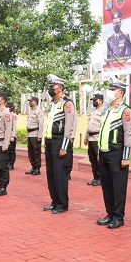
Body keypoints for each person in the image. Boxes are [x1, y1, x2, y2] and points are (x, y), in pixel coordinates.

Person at [95, 77, 131, 229]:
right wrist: (99, 151)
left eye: (113, 90)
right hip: (104, 152)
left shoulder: (125, 111)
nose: (109, 92)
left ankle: (118, 216)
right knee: (107, 185)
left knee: (118, 186)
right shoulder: (106, 109)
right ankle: (109, 213)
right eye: (110, 89)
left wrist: (126, 157)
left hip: (117, 153)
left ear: (121, 93)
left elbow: (128, 135)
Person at [43, 74, 76, 214]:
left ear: (60, 88)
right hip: (50, 142)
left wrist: (64, 146)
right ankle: (54, 201)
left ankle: (62, 204)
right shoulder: (52, 104)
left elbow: (69, 126)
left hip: (60, 141)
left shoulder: (67, 104)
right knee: (50, 173)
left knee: (59, 174)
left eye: (52, 86)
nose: (50, 89)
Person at [84, 93, 104, 186]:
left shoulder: (103, 111)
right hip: (90, 138)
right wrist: (85, 137)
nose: (94, 102)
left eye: (95, 100)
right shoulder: (93, 112)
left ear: (100, 100)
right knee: (92, 158)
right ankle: (95, 177)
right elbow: (89, 126)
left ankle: (100, 178)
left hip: (97, 138)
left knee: (99, 158)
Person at [25, 96, 44, 176]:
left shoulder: (39, 111)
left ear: (35, 102)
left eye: (31, 101)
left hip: (35, 134)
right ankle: (33, 167)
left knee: (36, 152)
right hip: (30, 134)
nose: (30, 102)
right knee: (30, 152)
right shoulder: (31, 111)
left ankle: (37, 168)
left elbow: (41, 124)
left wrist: (40, 135)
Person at [7, 101, 18, 170]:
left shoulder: (13, 115)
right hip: (6, 135)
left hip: (11, 134)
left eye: (8, 106)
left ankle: (11, 164)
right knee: (7, 150)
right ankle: (8, 163)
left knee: (11, 150)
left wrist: (12, 136)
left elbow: (14, 126)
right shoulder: (6, 114)